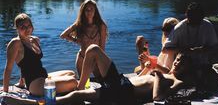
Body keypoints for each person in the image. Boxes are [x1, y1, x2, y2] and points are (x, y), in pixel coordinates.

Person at [2, 45, 194, 105]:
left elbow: (159, 98)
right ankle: (81, 83)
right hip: (121, 82)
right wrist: (145, 68)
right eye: (176, 59)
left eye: (181, 62)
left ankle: (25, 103)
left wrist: (158, 78)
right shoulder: (166, 72)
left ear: (187, 69)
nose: (176, 62)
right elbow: (143, 78)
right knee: (91, 50)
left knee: (76, 96)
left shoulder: (176, 80)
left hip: (123, 92)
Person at [3, 13, 78, 96]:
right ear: (17, 28)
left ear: (32, 26)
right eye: (23, 27)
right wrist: (5, 92)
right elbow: (8, 68)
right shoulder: (15, 43)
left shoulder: (35, 40)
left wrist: (21, 82)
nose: (27, 29)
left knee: (71, 73)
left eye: (29, 26)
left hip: (43, 76)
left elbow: (26, 62)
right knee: (73, 82)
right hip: (35, 84)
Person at [162, 2, 218, 92]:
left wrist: (203, 50)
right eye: (192, 19)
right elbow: (165, 50)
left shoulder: (207, 26)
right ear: (187, 15)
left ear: (202, 17)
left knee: (214, 83)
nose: (195, 22)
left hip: (202, 64)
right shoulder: (179, 28)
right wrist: (183, 50)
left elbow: (215, 47)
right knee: (189, 83)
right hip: (183, 67)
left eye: (198, 20)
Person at [60, 0, 108, 79]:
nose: (89, 12)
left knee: (101, 81)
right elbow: (63, 35)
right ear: (83, 11)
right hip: (82, 58)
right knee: (85, 84)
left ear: (95, 11)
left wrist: (100, 61)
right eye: (87, 10)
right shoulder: (79, 24)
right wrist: (76, 40)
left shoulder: (101, 26)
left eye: (91, 9)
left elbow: (102, 47)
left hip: (95, 59)